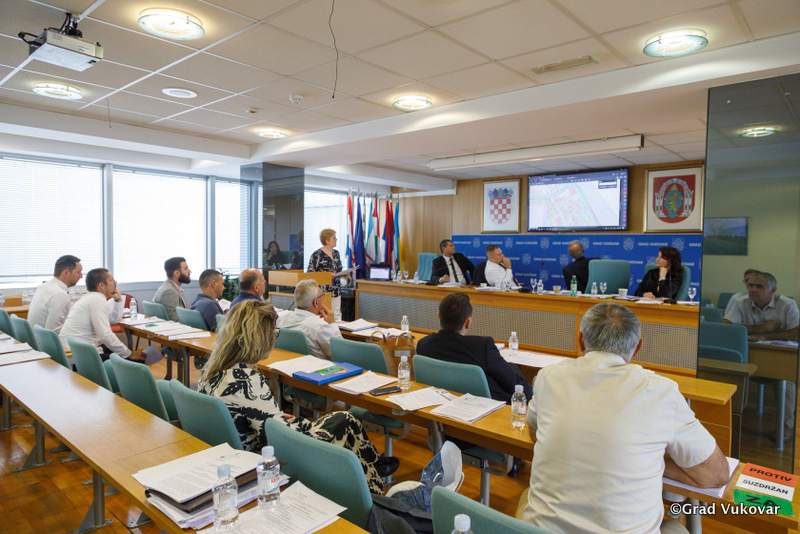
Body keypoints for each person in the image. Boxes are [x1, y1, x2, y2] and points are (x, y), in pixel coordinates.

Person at [521, 302, 729, 534]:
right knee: (675, 528)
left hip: (540, 530)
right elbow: (716, 475)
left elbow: (534, 433)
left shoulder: (548, 377)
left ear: (580, 341)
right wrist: (651, 460)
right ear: (638, 347)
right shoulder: (661, 392)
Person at [197, 299, 398, 493]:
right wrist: (286, 423)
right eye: (272, 333)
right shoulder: (248, 380)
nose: (273, 339)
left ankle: (373, 467)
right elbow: (282, 440)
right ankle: (373, 488)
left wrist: (278, 419)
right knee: (346, 421)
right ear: (259, 338)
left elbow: (251, 417)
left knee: (343, 420)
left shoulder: (212, 372)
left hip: (239, 452)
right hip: (269, 459)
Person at [723, 272, 799, 441]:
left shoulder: (787, 304)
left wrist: (764, 335)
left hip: (778, 358)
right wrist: (760, 329)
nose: (753, 289)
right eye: (751, 285)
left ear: (773, 290)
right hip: (748, 354)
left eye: (759, 287)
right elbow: (727, 327)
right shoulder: (741, 302)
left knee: (785, 381)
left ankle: (787, 425)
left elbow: (796, 334)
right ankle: (724, 421)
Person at [417, 292, 531, 403]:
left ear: (438, 316)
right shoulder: (483, 347)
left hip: (440, 405)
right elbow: (516, 386)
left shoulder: (423, 345)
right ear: (468, 323)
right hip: (488, 408)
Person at [59, 268, 146, 363]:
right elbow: (105, 335)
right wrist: (129, 354)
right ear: (101, 285)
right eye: (111, 280)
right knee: (137, 362)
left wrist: (118, 300)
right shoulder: (97, 300)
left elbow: (113, 320)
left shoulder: (91, 298)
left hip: (75, 351)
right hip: (79, 356)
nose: (115, 282)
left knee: (115, 351)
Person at [276, 279, 342, 360]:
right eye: (322, 296)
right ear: (316, 302)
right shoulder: (319, 326)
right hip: (319, 366)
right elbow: (340, 353)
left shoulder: (282, 318)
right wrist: (332, 323)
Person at [28, 255, 83, 334]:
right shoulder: (59, 294)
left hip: (36, 337)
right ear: (66, 273)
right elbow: (54, 331)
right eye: (78, 272)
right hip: (44, 340)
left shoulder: (44, 286)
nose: (81, 276)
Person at [307, 229, 354, 314]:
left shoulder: (336, 253)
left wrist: (343, 274)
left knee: (336, 316)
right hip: (323, 293)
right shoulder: (317, 255)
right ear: (327, 241)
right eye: (334, 238)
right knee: (324, 316)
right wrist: (326, 275)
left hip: (336, 291)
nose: (336, 239)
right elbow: (310, 274)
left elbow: (337, 271)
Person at [153, 257, 191, 322]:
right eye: (186, 269)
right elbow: (175, 320)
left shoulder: (169, 287)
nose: (189, 271)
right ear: (177, 273)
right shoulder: (169, 291)